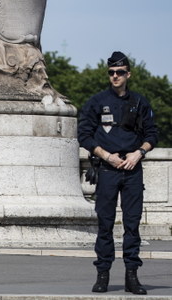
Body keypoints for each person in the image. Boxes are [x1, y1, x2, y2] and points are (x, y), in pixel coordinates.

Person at [78, 51, 158, 295]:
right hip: (107, 169)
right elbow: (84, 135)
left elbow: (152, 134)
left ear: (128, 74)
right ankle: (103, 275)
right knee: (105, 225)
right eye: (111, 72)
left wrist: (138, 154)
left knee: (132, 226)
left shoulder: (140, 102)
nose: (115, 76)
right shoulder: (96, 101)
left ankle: (131, 277)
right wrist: (105, 155)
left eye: (120, 72)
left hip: (132, 170)